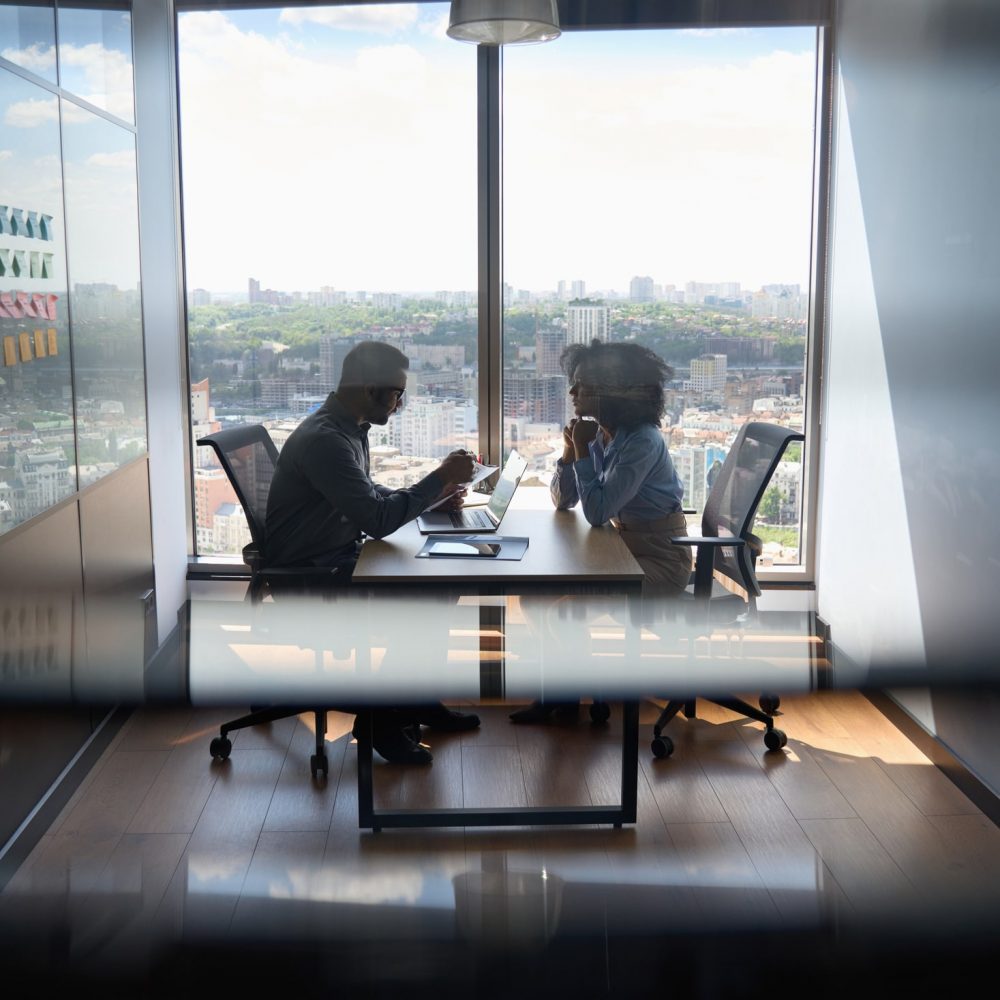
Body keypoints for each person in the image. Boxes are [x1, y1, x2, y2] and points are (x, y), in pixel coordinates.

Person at [265, 340, 480, 763]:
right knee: (429, 596)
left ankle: (411, 699)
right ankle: (381, 718)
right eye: (397, 392)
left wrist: (432, 497)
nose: (400, 403)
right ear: (369, 388)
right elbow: (377, 521)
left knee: (440, 584)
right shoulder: (326, 440)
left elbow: (366, 495)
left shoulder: (346, 429)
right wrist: (438, 477)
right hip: (314, 576)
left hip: (335, 558)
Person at [510, 339, 692, 724]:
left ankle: (575, 693)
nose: (572, 393)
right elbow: (563, 502)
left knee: (564, 614)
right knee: (533, 600)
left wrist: (580, 452)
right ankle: (558, 696)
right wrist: (567, 451)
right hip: (623, 551)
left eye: (583, 386)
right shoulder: (600, 434)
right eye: (574, 384)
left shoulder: (642, 441)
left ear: (614, 393)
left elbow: (597, 512)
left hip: (659, 559)